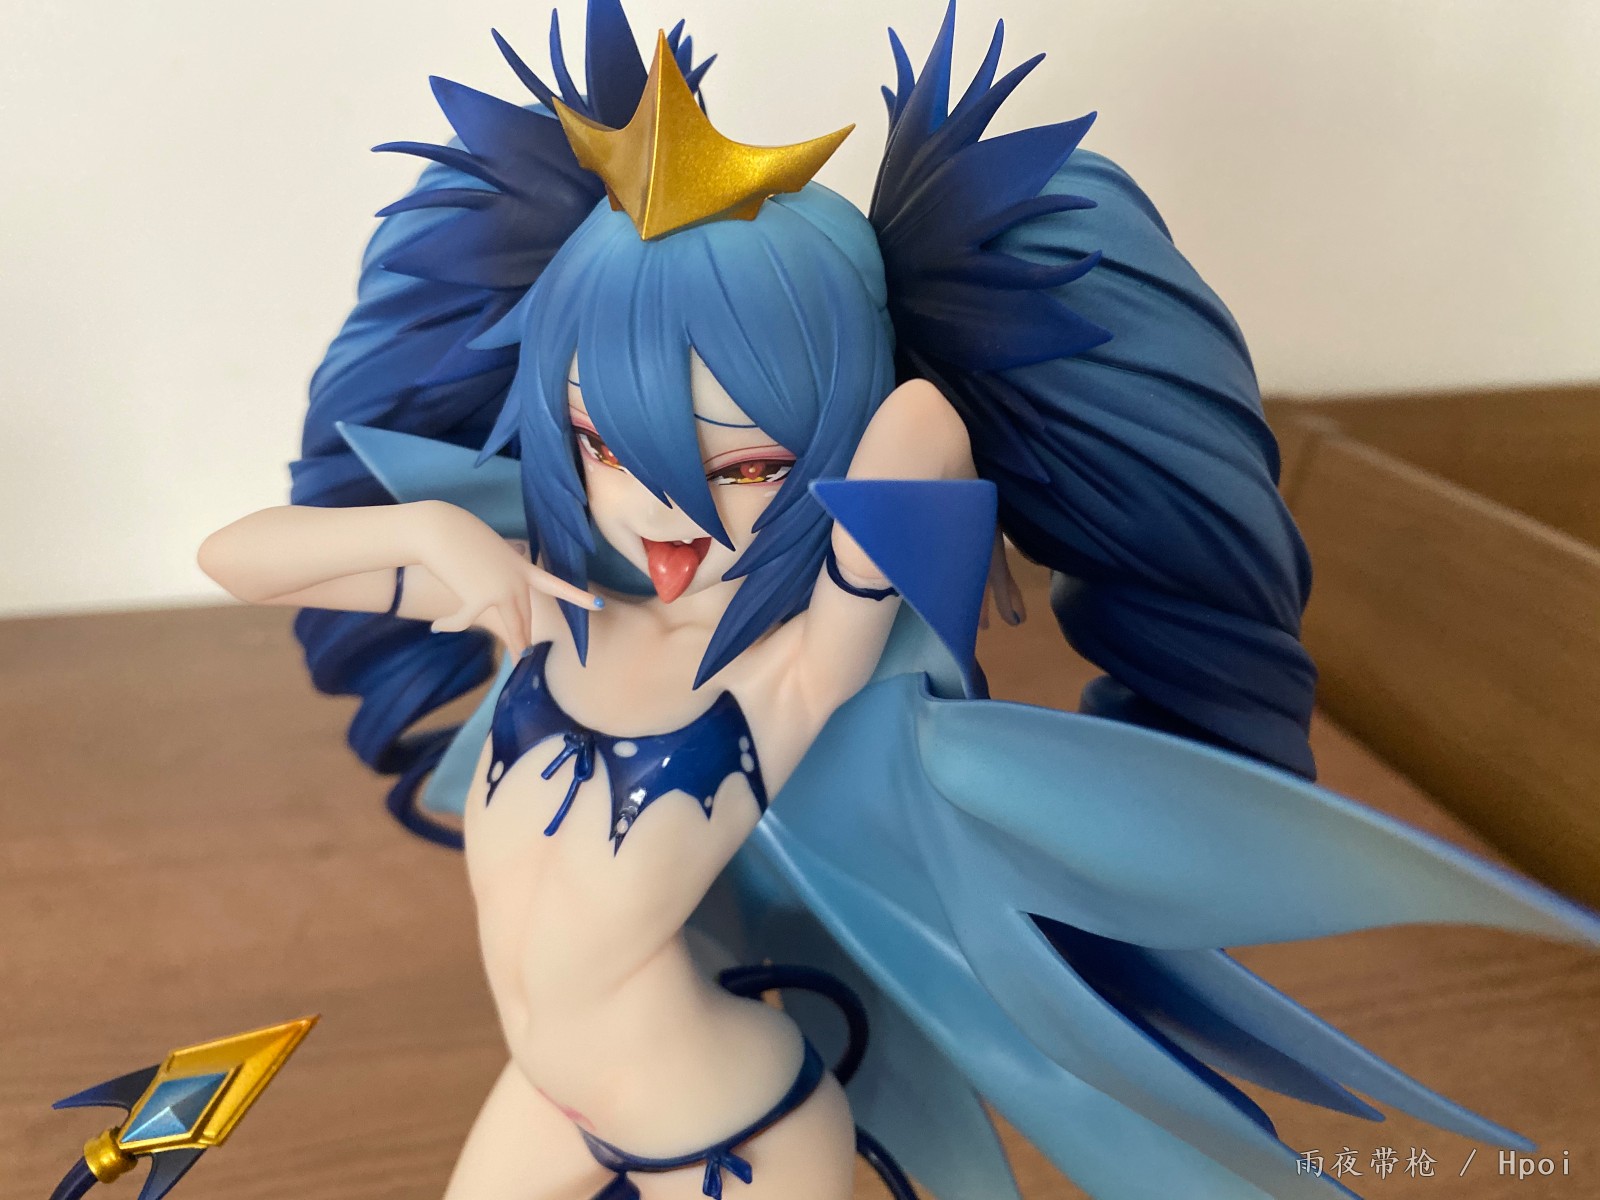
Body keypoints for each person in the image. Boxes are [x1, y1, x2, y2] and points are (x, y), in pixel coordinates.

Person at [198, 4, 1600, 1198]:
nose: (674, 515)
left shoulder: (792, 673)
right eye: (607, 446)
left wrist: (864, 313)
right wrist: (437, 533)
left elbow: (922, 430)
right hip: (546, 1095)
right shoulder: (532, 605)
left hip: (732, 1139)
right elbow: (234, 556)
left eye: (748, 467)